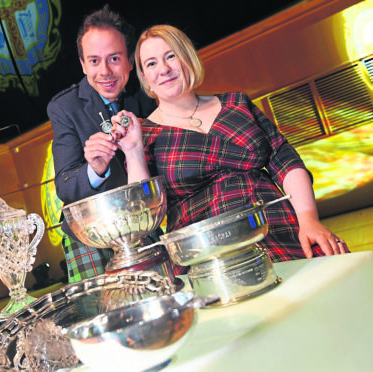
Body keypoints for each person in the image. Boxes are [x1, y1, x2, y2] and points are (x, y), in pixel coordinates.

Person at [112, 25, 349, 264]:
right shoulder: (144, 133)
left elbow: (286, 161)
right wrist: (132, 151)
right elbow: (145, 214)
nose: (163, 69)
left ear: (187, 58)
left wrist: (309, 221)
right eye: (151, 63)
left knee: (336, 265)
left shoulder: (238, 103)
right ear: (145, 79)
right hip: (206, 249)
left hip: (275, 227)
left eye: (171, 56)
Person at [47, 5, 157, 283]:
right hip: (89, 234)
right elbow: (65, 186)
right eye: (94, 61)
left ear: (131, 60)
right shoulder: (64, 107)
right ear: (83, 64)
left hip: (142, 221)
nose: (105, 71)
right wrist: (94, 170)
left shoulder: (149, 93)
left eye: (114, 58)